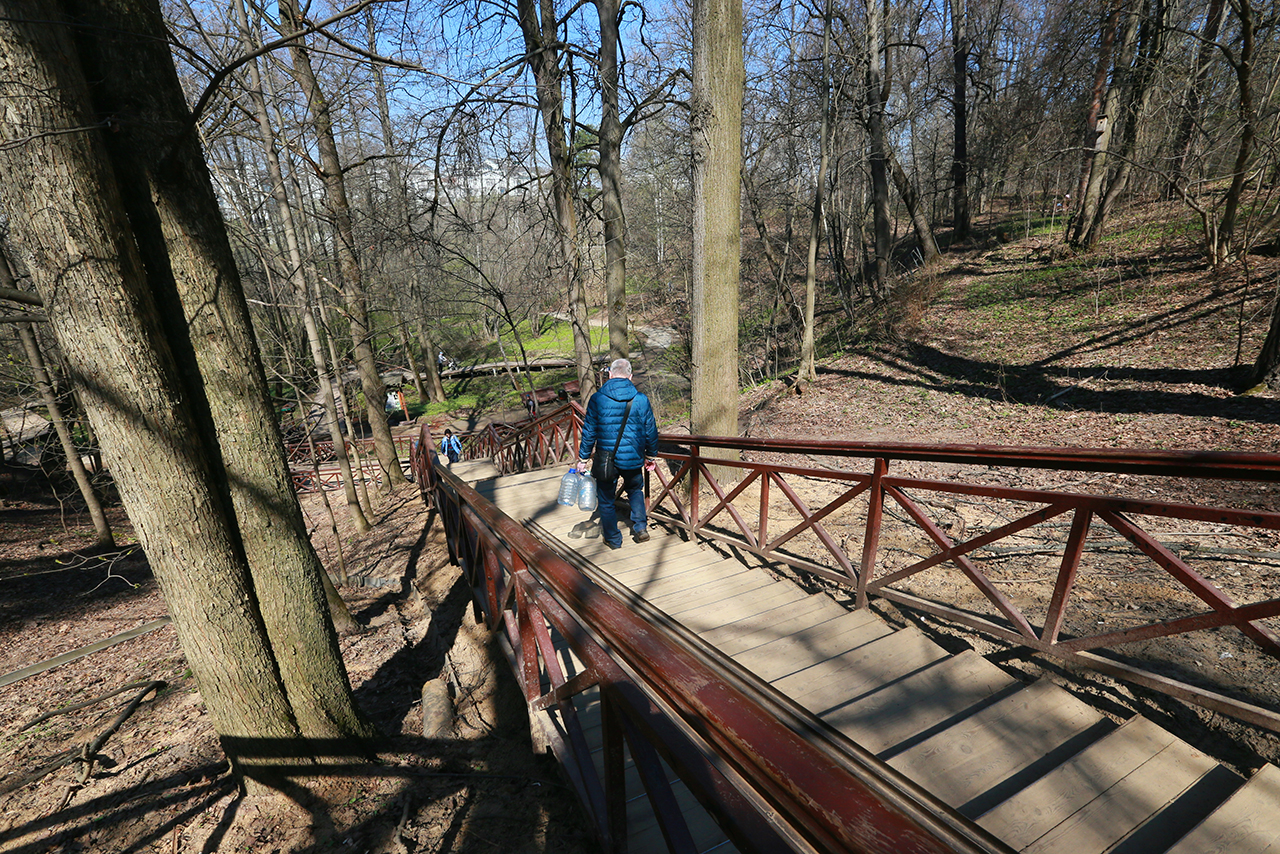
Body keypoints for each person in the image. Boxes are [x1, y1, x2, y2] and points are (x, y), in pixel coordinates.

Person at [577, 358, 659, 549]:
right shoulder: (641, 399)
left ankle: (613, 539)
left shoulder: (597, 399)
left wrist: (583, 458)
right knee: (635, 490)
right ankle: (640, 528)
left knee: (605, 500)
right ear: (630, 376)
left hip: (606, 459)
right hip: (632, 457)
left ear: (610, 375)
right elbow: (651, 430)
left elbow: (589, 432)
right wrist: (650, 456)